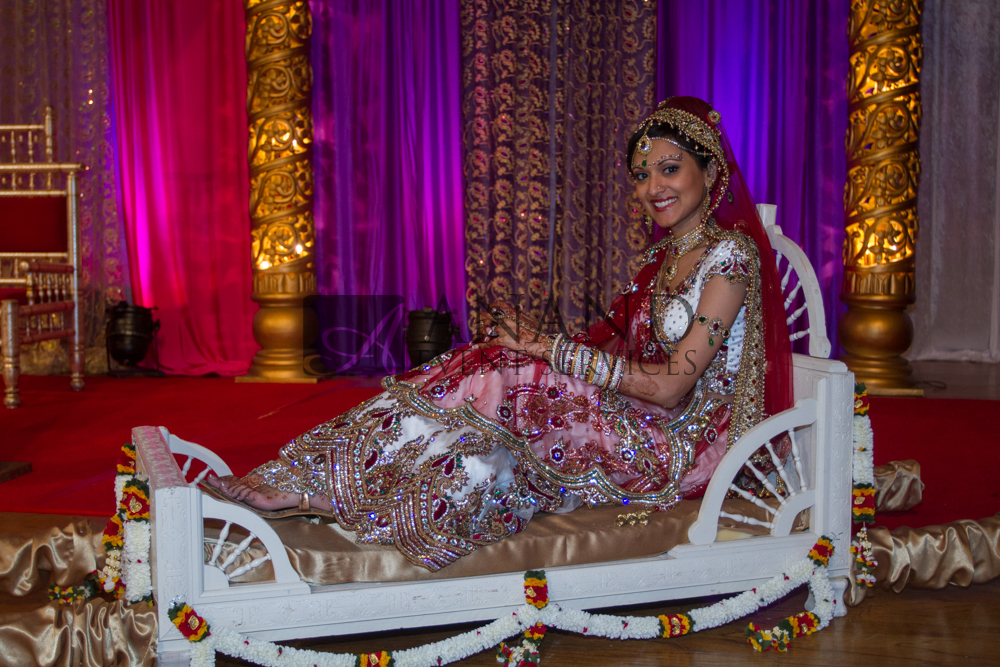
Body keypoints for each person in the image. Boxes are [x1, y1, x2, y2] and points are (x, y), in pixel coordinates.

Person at [206, 97, 793, 572]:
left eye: (669, 169)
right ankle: (321, 482)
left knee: (512, 367)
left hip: (684, 445)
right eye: (641, 175)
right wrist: (543, 351)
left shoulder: (730, 258)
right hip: (649, 418)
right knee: (493, 375)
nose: (652, 188)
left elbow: (670, 387)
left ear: (709, 171)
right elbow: (618, 352)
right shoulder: (663, 260)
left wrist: (545, 349)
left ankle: (315, 482)